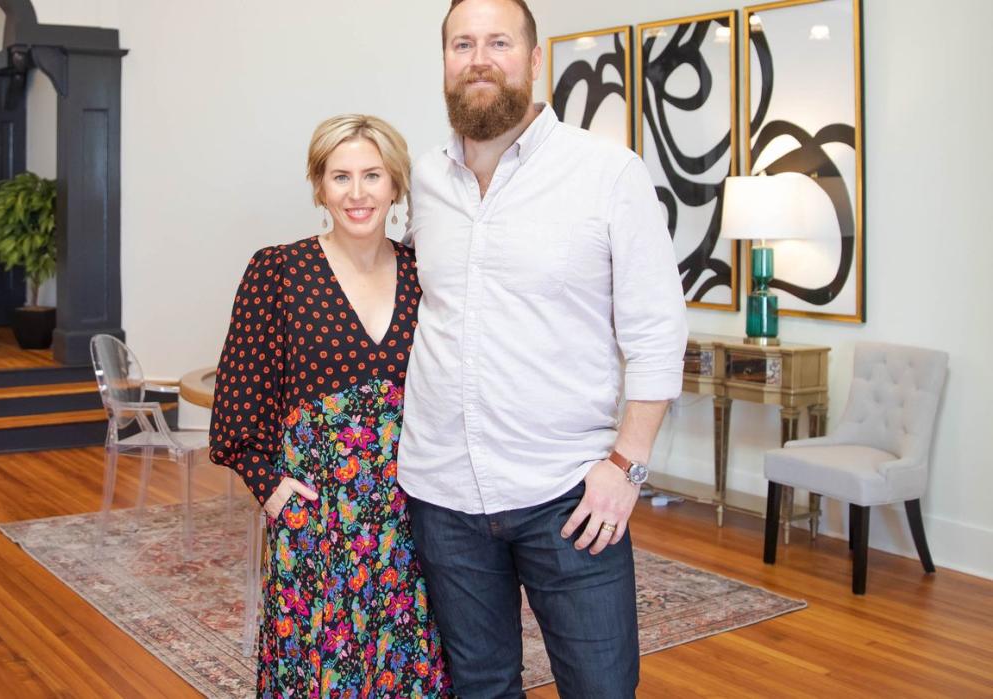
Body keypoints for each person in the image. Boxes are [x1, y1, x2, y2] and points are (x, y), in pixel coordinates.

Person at [398, 0, 688, 697]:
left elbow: (656, 331)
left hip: (569, 493)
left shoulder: (607, 173)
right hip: (443, 493)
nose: (479, 58)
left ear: (534, 61)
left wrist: (627, 465)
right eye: (462, 44)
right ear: (444, 63)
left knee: (601, 686)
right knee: (482, 684)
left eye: (499, 41)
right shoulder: (421, 183)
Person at [209, 114, 452, 698]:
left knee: (409, 667)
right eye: (340, 177)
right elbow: (240, 400)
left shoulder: (426, 274)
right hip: (318, 517)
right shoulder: (279, 272)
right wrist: (270, 487)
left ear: (395, 184)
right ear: (319, 188)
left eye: (372, 175)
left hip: (414, 516)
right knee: (318, 674)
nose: (358, 192)